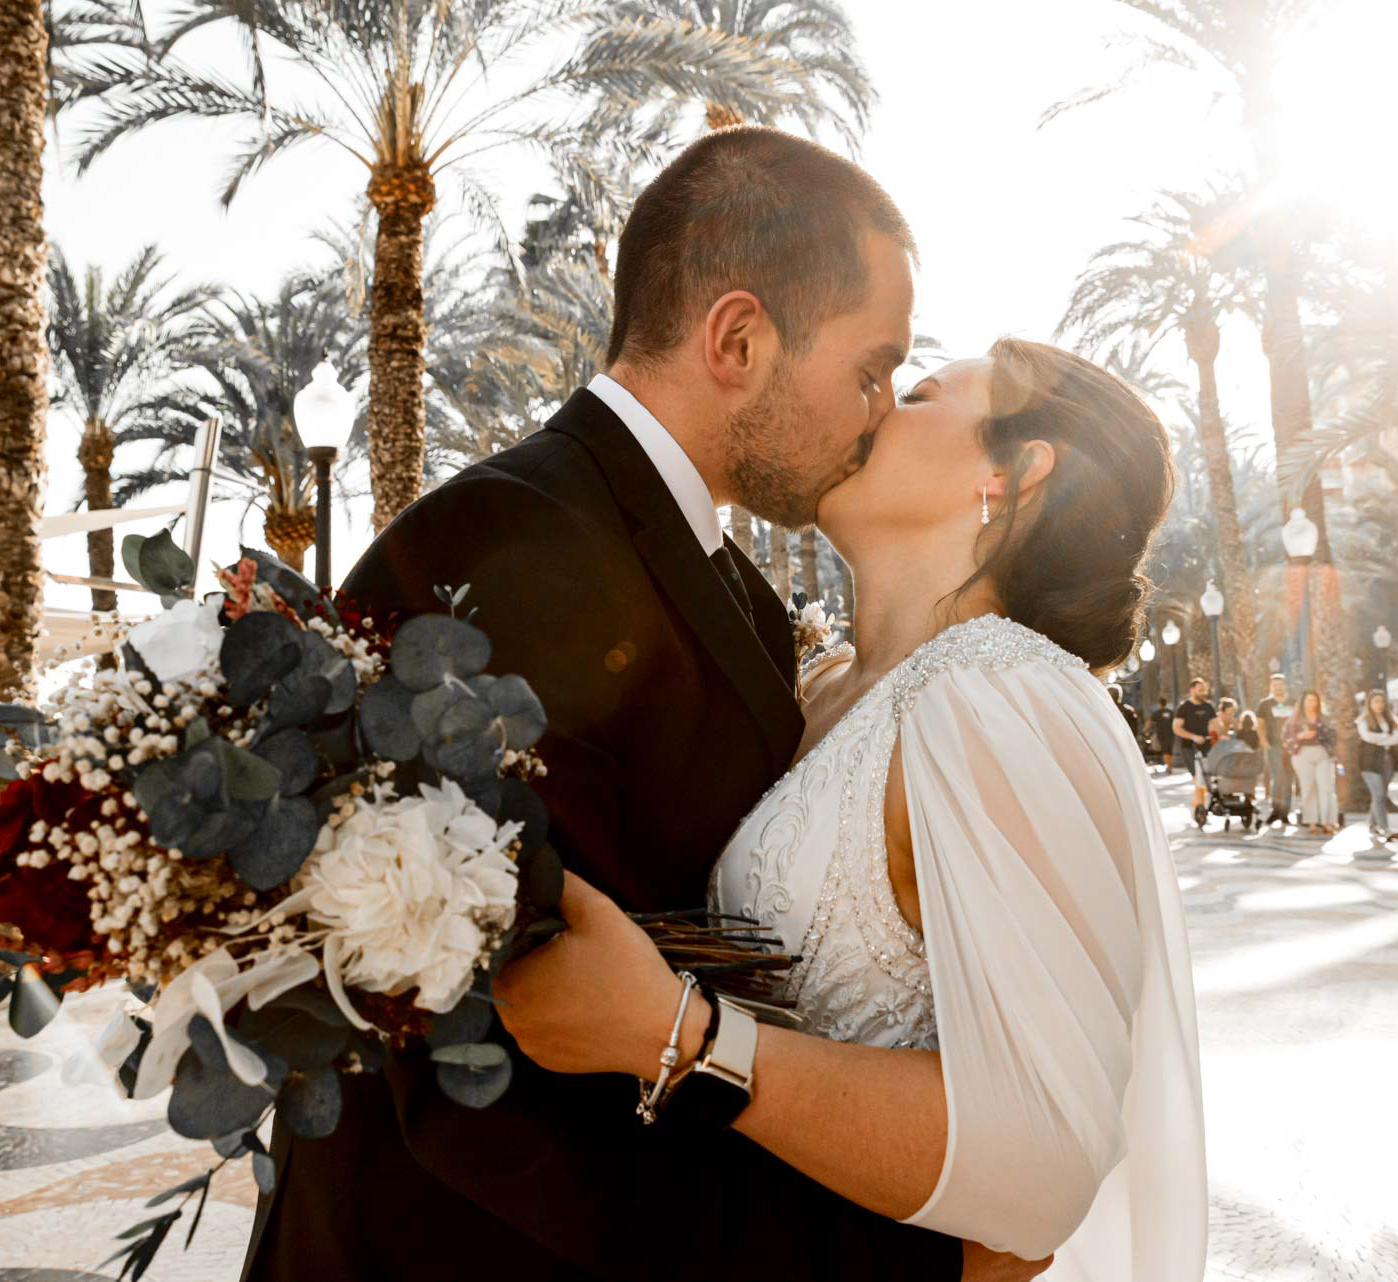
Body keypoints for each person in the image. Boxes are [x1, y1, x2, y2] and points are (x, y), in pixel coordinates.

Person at [244, 129, 1052, 1282]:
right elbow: (486, 1080)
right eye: (872, 370)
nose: (877, 413)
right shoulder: (504, 542)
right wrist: (898, 1266)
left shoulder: (740, 594)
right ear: (737, 338)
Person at [498, 338, 1205, 1280]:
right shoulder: (819, 687)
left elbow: (1044, 1163)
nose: (871, 407)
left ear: (1019, 471)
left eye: (914, 394)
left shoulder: (1000, 700)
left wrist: (680, 1036)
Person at [1356, 691, 1398, 843]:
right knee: (1379, 794)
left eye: (1381, 701)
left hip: (1387, 760)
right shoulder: (1363, 720)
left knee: (1380, 793)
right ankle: (1385, 828)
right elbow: (1368, 737)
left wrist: (1382, 740)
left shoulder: (1392, 719)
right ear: (1370, 703)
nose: (1379, 705)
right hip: (1369, 762)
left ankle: (1372, 825)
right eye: (1376, 701)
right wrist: (1387, 738)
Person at [1284, 690, 1338, 836]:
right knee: (1308, 788)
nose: (1311, 703)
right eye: (1309, 700)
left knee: (1326, 787)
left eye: (1314, 700)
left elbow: (1333, 736)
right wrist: (1301, 736)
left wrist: (1327, 746)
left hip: (1322, 753)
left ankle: (1328, 822)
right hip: (1302, 754)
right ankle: (1312, 822)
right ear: (1303, 702)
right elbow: (1286, 738)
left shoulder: (1324, 719)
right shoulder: (1294, 719)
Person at [1172, 677, 1218, 812]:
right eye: (1200, 690)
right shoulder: (1184, 707)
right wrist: (1193, 737)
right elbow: (1176, 728)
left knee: (1204, 778)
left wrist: (1223, 732)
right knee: (1198, 778)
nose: (1203, 692)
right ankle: (1201, 808)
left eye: (1204, 689)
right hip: (1189, 748)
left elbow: (1216, 725)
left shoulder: (1208, 706)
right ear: (1192, 690)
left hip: (1207, 747)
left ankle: (1197, 805)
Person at [1256, 675, 1296, 826]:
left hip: (1291, 748)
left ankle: (1285, 812)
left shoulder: (1293, 702)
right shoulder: (1265, 704)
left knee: (1288, 779)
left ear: (1285, 686)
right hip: (1273, 747)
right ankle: (1275, 810)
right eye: (1274, 685)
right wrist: (1265, 744)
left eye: (1280, 685)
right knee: (1278, 778)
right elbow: (1259, 725)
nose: (1277, 688)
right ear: (1270, 687)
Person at [1111, 682, 1142, 749]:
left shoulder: (1128, 710)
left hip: (1121, 742)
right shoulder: (1129, 709)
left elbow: (1134, 727)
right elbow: (1135, 728)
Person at [1149, 696, 1176, 772]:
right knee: (1169, 750)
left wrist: (1147, 730)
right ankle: (1169, 765)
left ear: (1159, 704)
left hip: (1161, 734)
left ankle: (1169, 766)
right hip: (1171, 733)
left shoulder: (1157, 713)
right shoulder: (1171, 712)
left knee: (1165, 750)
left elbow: (1150, 722)